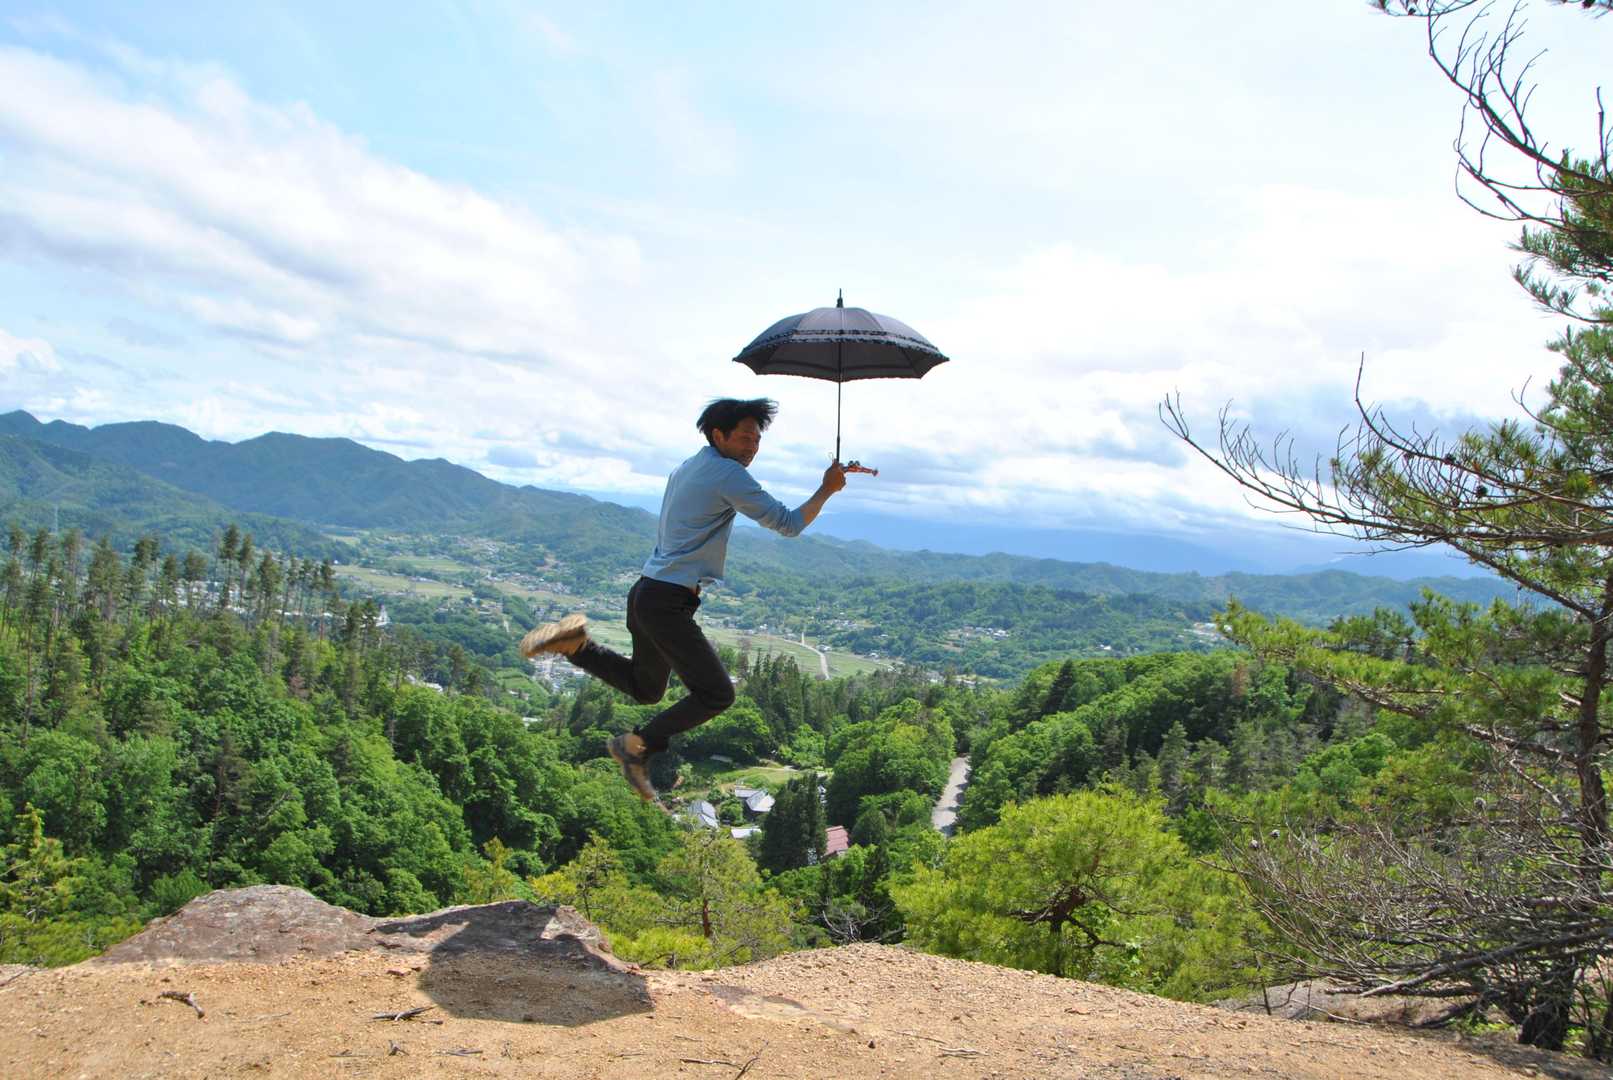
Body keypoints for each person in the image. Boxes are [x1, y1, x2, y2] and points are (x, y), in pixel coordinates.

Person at [520, 398, 847, 802]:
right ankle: (636, 746)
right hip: (667, 601)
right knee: (717, 694)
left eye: (757, 440)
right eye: (745, 437)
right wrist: (827, 488)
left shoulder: (690, 466)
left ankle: (576, 645)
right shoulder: (727, 473)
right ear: (718, 435)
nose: (752, 447)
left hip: (646, 591)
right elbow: (789, 524)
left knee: (646, 688)